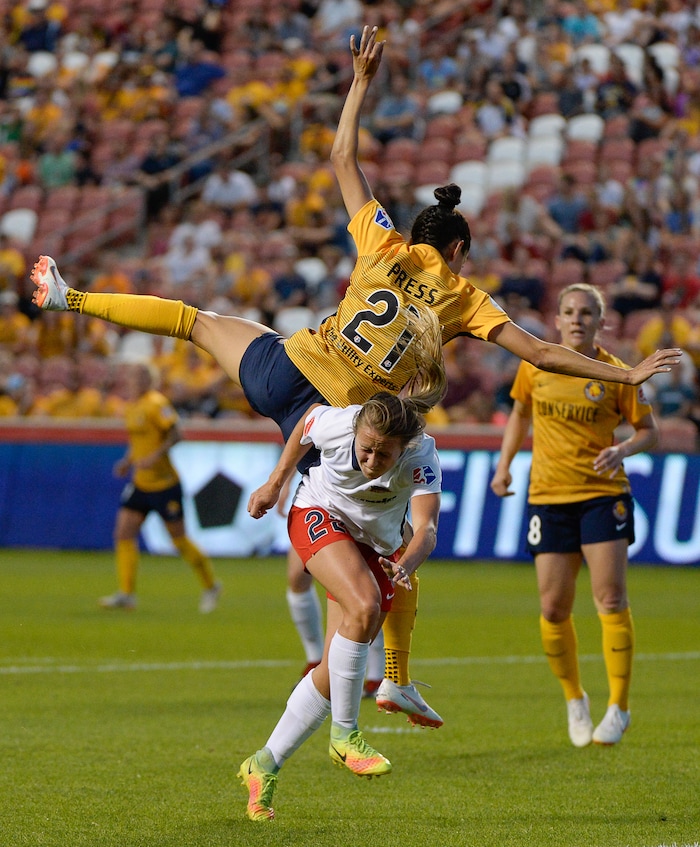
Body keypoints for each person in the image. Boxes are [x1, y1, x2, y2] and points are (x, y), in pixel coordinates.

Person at [31, 23, 680, 724]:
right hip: (343, 425)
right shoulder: (465, 296)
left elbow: (341, 154)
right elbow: (543, 353)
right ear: (458, 247)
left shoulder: (382, 242)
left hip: (284, 374)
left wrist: (362, 82)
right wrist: (627, 375)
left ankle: (75, 297)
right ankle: (390, 679)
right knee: (392, 552)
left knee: (192, 319)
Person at [239, 388, 443, 821]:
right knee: (366, 604)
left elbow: (426, 527)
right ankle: (346, 736)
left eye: (383, 455)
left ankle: (263, 765)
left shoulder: (422, 455)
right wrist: (275, 484)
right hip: (319, 511)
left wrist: (407, 564)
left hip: (374, 544)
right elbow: (306, 423)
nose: (370, 461)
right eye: (366, 449)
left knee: (333, 674)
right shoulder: (338, 422)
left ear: (403, 448)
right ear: (357, 431)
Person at [490, 283, 660, 748]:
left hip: (602, 494)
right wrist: (503, 466)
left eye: (587, 312)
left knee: (609, 599)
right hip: (547, 495)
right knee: (552, 607)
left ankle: (619, 706)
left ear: (600, 321)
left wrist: (623, 448)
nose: (577, 319)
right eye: (569, 311)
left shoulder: (616, 373)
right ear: (558, 319)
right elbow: (520, 415)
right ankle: (574, 698)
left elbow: (650, 432)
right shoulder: (536, 364)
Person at [99, 361, 222, 613]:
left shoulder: (157, 404)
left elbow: (176, 434)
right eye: (133, 376)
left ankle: (211, 585)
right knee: (123, 533)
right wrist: (127, 461)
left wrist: (154, 457)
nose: (135, 380)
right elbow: (139, 441)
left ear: (149, 380)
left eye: (141, 376)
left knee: (179, 541)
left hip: (165, 484)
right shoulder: (131, 406)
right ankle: (126, 593)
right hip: (141, 483)